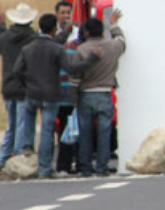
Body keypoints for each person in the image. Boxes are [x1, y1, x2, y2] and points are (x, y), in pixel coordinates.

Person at [14, 14, 98, 179]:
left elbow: (17, 70)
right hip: (50, 94)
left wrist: (26, 84)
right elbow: (71, 68)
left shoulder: (27, 48)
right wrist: (91, 60)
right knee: (47, 131)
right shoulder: (56, 49)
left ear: (40, 28)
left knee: (28, 129)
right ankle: (45, 168)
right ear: (53, 30)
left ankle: (27, 161)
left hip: (31, 93)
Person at [71, 13, 126, 176]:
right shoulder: (112, 47)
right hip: (105, 94)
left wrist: (74, 99)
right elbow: (122, 41)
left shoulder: (81, 50)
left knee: (85, 134)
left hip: (86, 95)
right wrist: (113, 24)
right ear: (102, 31)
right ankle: (102, 167)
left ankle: (86, 168)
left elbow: (75, 78)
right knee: (104, 133)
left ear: (87, 33)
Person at [0, 3, 38, 171]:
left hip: (8, 84)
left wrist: (1, 25)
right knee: (22, 124)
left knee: (11, 124)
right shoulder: (33, 38)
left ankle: (2, 158)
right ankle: (19, 158)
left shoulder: (5, 37)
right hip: (25, 86)